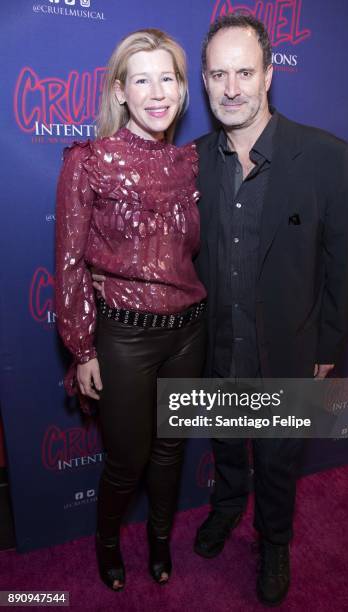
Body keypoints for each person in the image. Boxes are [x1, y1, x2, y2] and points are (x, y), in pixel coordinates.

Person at [191, 14, 348, 607]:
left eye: (244, 71)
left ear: (268, 76)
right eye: (218, 73)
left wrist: (326, 350)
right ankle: (228, 508)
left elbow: (342, 265)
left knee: (280, 457)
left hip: (287, 348)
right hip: (217, 347)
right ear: (206, 82)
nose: (231, 87)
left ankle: (276, 538)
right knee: (228, 444)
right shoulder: (189, 164)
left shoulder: (327, 158)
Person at [55, 29, 207, 591]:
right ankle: (106, 542)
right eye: (141, 79)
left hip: (191, 332)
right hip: (125, 339)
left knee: (170, 452)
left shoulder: (192, 164)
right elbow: (70, 262)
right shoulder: (89, 161)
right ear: (120, 91)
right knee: (128, 461)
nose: (156, 91)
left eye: (167, 77)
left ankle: (160, 542)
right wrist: (83, 346)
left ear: (182, 88)